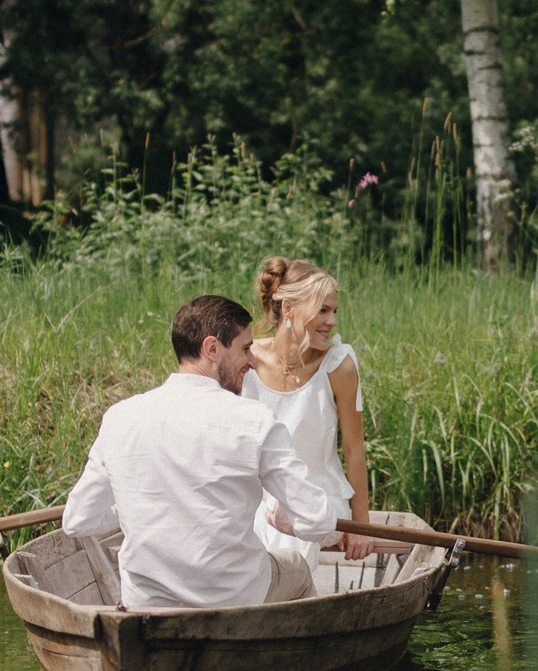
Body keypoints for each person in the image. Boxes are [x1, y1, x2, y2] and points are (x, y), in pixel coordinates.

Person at [60, 295, 335, 607]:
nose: (254, 361)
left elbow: (77, 521)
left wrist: (141, 502)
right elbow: (319, 521)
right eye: (245, 348)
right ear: (212, 349)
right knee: (296, 568)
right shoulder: (254, 420)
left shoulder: (119, 418)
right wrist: (289, 523)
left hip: (146, 603)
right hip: (234, 598)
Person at [244, 256, 377, 568]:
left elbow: (354, 449)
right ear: (289, 309)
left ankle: (277, 596)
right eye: (323, 310)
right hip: (257, 495)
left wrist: (361, 526)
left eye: (334, 311)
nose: (332, 321)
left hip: (320, 497)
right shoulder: (247, 360)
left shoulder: (338, 365)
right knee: (261, 515)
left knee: (286, 515)